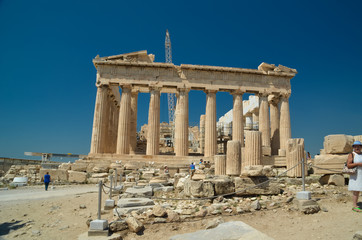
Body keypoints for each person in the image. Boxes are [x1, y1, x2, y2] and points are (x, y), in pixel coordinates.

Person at [347, 141, 362, 212]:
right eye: (355, 146)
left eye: (359, 146)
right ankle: (355, 206)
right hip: (356, 175)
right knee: (356, 190)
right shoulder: (352, 154)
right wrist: (358, 164)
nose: (357, 147)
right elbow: (348, 165)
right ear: (353, 147)